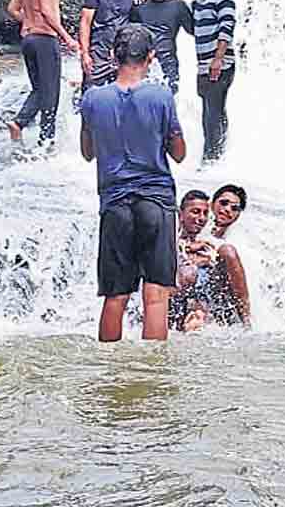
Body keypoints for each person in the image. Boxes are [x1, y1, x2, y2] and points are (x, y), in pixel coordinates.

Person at [79, 24, 187, 342]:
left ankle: (109, 373)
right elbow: (179, 153)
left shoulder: (93, 98)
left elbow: (88, 153)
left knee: (116, 295)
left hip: (114, 202)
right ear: (151, 57)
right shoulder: (161, 95)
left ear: (114, 56)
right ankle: (151, 375)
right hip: (156, 200)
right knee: (155, 294)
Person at [6, 0, 78, 145]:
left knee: (39, 89)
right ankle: (46, 142)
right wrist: (67, 38)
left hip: (28, 39)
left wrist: (28, 21)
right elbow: (47, 11)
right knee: (51, 92)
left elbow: (12, 9)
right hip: (45, 39)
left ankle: (19, 122)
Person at [172, 189, 252, 330]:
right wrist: (190, 249)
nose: (227, 210)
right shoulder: (196, 227)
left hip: (216, 293)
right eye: (223, 203)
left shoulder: (237, 240)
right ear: (212, 204)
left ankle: (246, 321)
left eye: (234, 208)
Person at [191, 0, 237, 163]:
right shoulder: (197, 4)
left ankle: (211, 158)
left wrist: (217, 59)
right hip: (203, 65)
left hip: (220, 64)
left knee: (213, 112)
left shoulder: (224, 1)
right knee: (209, 111)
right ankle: (218, 153)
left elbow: (226, 29)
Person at [131, 0, 194, 94]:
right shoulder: (139, 5)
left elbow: (193, 30)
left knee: (168, 100)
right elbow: (130, 33)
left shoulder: (177, 5)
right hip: (143, 63)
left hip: (167, 62)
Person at [79, 0, 138, 89]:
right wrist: (85, 53)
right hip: (97, 52)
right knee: (91, 91)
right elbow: (85, 22)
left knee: (120, 93)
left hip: (121, 54)